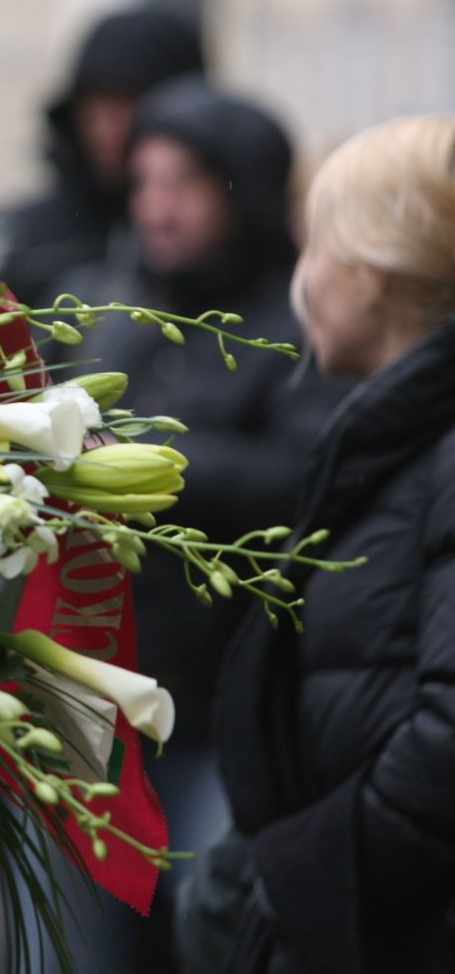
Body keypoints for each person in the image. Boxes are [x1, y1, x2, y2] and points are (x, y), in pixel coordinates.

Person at [47, 79, 344, 973]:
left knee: (218, 938)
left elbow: (308, 477)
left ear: (242, 191)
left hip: (229, 714)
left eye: (183, 183)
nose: (157, 208)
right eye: (143, 183)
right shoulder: (108, 308)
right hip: (99, 699)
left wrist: (146, 461)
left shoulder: (300, 324)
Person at [180, 113, 455, 973]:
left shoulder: (436, 448)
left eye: (316, 248)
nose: (304, 281)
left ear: (374, 272)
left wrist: (299, 877)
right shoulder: (398, 433)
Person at [0, 7, 205, 308]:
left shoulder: (212, 244)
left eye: (129, 101)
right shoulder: (27, 237)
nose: (107, 126)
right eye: (96, 102)